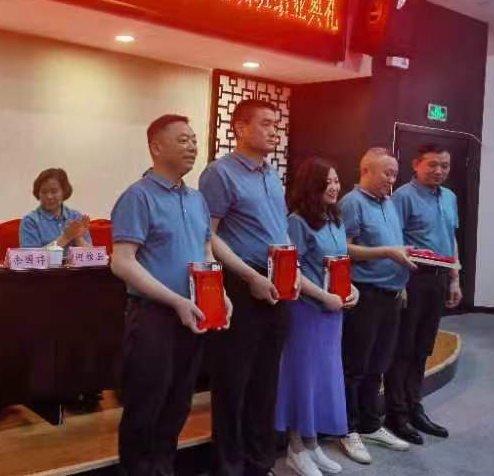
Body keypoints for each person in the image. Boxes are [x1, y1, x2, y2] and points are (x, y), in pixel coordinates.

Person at [111, 114, 231, 476]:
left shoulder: (196, 199)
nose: (192, 146)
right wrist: (176, 300)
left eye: (194, 140)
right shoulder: (138, 196)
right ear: (156, 146)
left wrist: (220, 292)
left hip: (193, 314)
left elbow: (206, 251)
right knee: (146, 405)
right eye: (182, 140)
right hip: (153, 317)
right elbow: (122, 262)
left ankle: (163, 468)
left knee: (178, 403)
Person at [199, 98, 300, 476]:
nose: (274, 131)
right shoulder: (220, 173)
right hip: (242, 286)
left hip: (278, 284)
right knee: (232, 383)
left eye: (277, 125)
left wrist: (291, 269)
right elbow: (209, 236)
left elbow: (278, 230)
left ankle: (260, 464)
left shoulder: (271, 174)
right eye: (266, 124)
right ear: (240, 127)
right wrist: (249, 277)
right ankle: (228, 467)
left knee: (265, 381)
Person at [275, 158, 359, 476]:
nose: (334, 187)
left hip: (333, 313)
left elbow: (340, 264)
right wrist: (324, 296)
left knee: (323, 379)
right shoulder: (296, 222)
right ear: (312, 185)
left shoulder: (335, 219)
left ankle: (311, 444)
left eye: (337, 180)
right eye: (328, 182)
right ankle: (295, 448)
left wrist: (352, 289)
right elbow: (290, 271)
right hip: (306, 311)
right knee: (303, 379)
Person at [337, 148, 417, 464]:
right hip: (365, 295)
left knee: (378, 365)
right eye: (386, 173)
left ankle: (370, 424)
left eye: (395, 174)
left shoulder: (389, 203)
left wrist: (402, 284)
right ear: (365, 170)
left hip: (391, 295)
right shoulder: (352, 202)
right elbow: (342, 248)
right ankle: (347, 428)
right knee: (354, 366)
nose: (391, 179)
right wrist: (385, 252)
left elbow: (395, 247)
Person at [385, 143, 462, 443]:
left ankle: (414, 406)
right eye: (432, 164)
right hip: (412, 279)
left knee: (423, 348)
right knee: (402, 348)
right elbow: (392, 240)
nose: (439, 171)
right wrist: (399, 283)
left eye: (445, 165)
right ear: (416, 164)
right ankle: (396, 414)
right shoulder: (403, 197)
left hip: (440, 279)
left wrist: (455, 278)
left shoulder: (450, 197)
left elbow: (451, 238)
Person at [20, 168, 91, 249]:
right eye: (44, 192)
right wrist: (65, 237)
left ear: (64, 192)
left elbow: (92, 254)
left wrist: (78, 238)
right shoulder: (30, 221)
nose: (49, 196)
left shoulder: (76, 217)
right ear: (38, 193)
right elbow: (31, 255)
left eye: (54, 191)